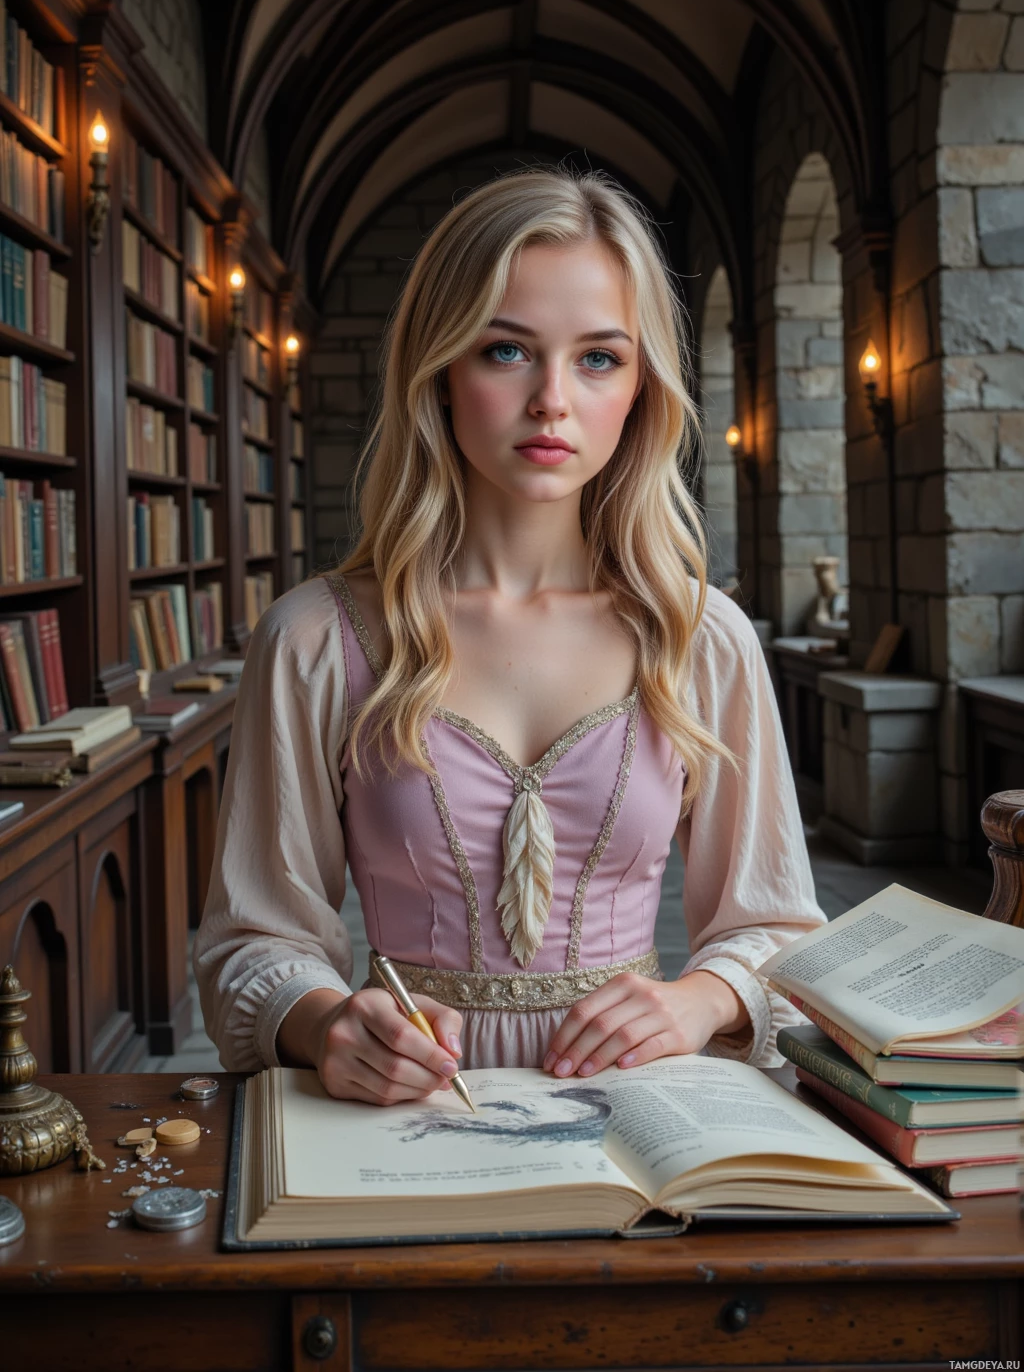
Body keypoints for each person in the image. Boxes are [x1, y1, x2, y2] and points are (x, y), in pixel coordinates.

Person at [195, 169, 825, 1106]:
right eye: (506, 351)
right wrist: (330, 1024)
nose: (552, 401)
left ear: (642, 387)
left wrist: (699, 999)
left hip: (643, 1113)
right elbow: (253, 942)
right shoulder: (318, 639)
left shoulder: (699, 637)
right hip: (402, 1119)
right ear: (440, 372)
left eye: (600, 358)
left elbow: (781, 928)